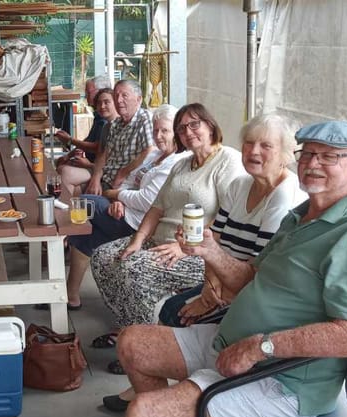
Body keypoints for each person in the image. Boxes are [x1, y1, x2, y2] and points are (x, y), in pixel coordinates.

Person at [116, 120, 347, 417]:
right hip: (231, 342)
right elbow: (247, 281)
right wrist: (211, 251)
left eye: (329, 157)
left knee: (144, 412)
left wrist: (262, 346)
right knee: (133, 343)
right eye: (309, 154)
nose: (313, 164)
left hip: (283, 378)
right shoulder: (298, 218)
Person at [101, 112, 307, 412]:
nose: (253, 151)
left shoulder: (286, 198)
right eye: (249, 143)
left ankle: (184, 396)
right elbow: (216, 240)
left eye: (266, 146)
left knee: (174, 310)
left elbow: (256, 276)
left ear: (286, 155)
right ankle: (167, 396)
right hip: (225, 285)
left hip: (251, 303)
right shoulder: (240, 185)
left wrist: (215, 296)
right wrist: (209, 288)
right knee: (159, 315)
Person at [89, 103, 244, 370]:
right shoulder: (182, 164)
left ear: (210, 125)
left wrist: (185, 248)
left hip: (197, 253)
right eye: (182, 128)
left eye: (195, 124)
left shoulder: (228, 160)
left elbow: (227, 217)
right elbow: (157, 207)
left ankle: (149, 347)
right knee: (103, 257)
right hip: (157, 240)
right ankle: (128, 327)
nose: (188, 132)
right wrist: (137, 241)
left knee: (134, 269)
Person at [61, 104, 186, 310]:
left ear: (176, 133)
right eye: (155, 130)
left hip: (138, 223)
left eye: (165, 130)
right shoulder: (154, 156)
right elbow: (128, 181)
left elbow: (147, 200)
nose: (159, 135)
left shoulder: (175, 162)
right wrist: (117, 200)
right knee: (86, 235)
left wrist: (114, 195)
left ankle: (59, 238)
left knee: (85, 202)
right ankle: (71, 295)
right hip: (123, 212)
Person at [85, 79, 154, 196]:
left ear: (138, 99)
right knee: (68, 183)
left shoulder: (145, 119)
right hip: (105, 178)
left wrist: (123, 173)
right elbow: (104, 155)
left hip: (123, 186)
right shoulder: (116, 123)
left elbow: (150, 150)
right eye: (116, 96)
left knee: (81, 203)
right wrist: (95, 179)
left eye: (124, 95)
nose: (119, 100)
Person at [58, 87, 119, 196]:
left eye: (106, 102)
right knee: (63, 172)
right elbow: (100, 155)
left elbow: (101, 154)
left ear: (116, 103)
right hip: (97, 170)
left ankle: (67, 209)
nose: (102, 106)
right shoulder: (106, 126)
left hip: (108, 176)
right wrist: (69, 155)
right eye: (99, 103)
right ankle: (68, 209)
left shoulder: (118, 126)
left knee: (65, 173)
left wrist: (89, 165)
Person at [54, 75, 113, 162]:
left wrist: (70, 140)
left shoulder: (105, 119)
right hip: (91, 164)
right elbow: (88, 140)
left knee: (64, 170)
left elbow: (96, 148)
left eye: (88, 92)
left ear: (100, 93)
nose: (85, 96)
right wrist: (68, 156)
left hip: (95, 167)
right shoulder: (98, 115)